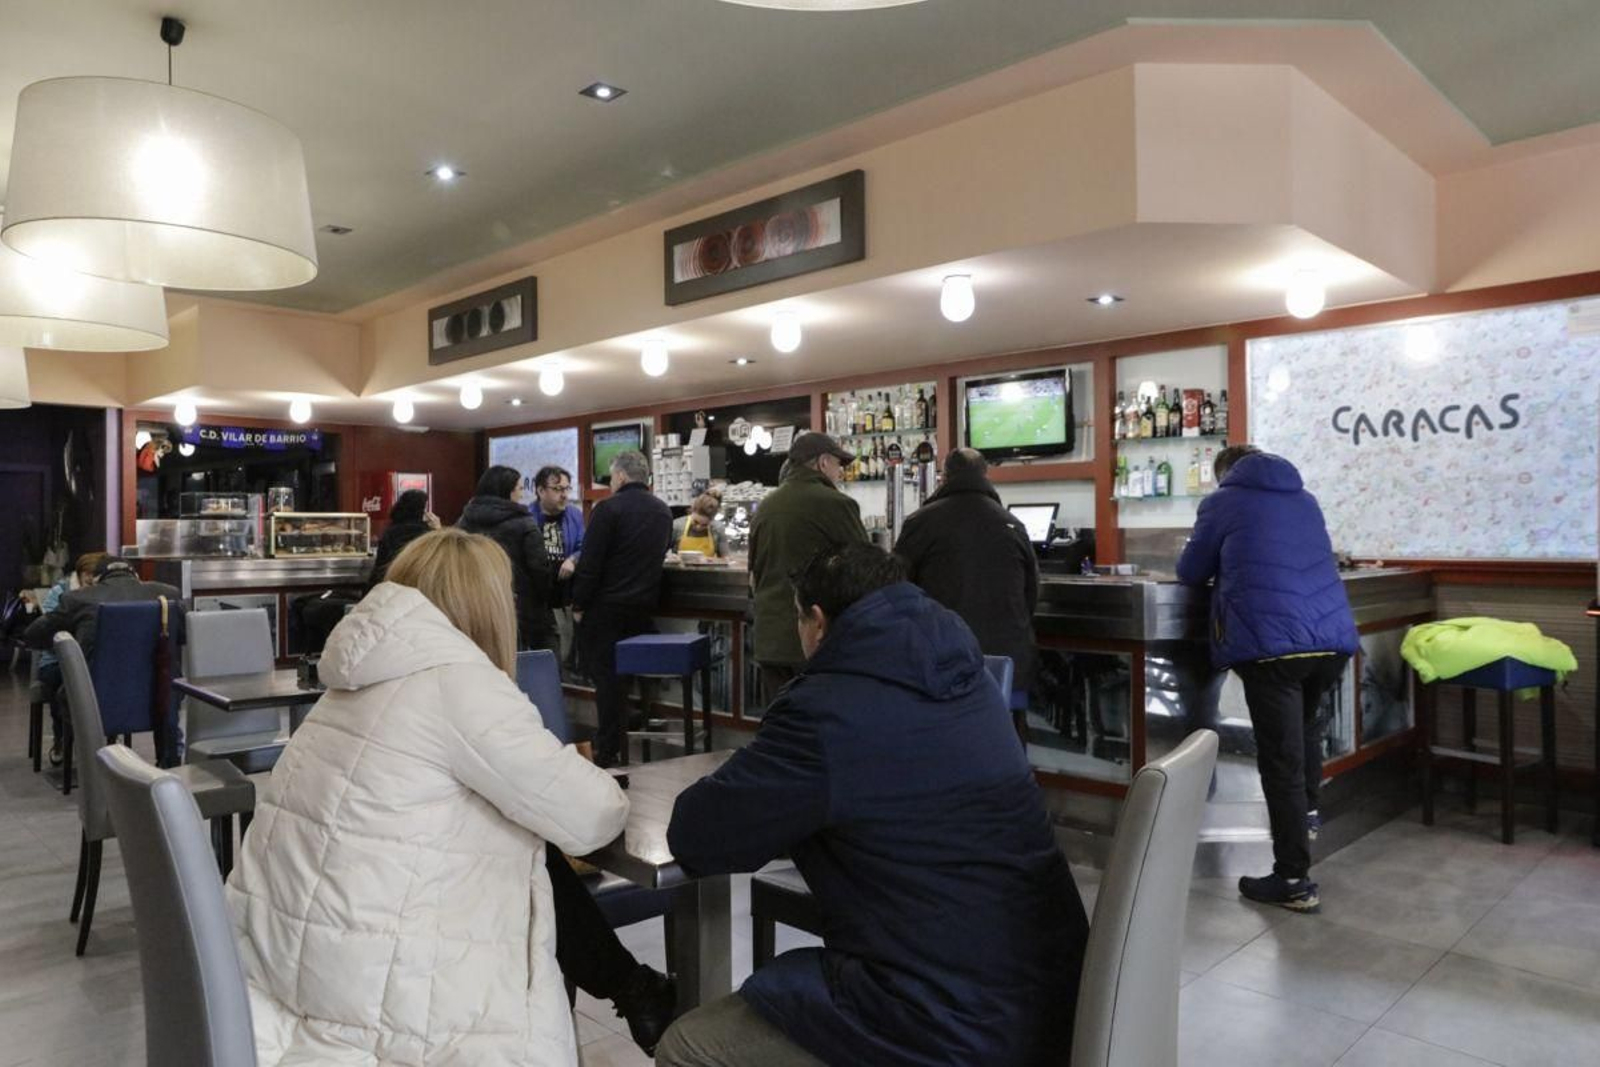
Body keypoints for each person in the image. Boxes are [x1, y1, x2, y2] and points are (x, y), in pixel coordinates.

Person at [226, 528, 673, 1065]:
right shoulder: (458, 685)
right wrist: (595, 779)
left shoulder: (350, 682)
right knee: (533, 846)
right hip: (377, 996)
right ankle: (638, 991)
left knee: (522, 845)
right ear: (487, 607)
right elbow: (592, 817)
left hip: (289, 968)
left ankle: (633, 988)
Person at [656, 543, 1088, 1067]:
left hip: (952, 1024)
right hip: (1058, 1000)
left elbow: (698, 837)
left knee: (686, 1047)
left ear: (817, 622)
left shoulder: (826, 710)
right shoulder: (968, 676)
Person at [1176, 444, 1358, 913]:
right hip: (1331, 641)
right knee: (1305, 734)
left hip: (1272, 644)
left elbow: (1191, 571)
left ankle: (1293, 879)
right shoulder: (1305, 499)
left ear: (1225, 474)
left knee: (1281, 760)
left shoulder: (1222, 501)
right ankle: (1307, 818)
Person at [895, 447, 1039, 699]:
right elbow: (1031, 594)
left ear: (944, 477)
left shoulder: (921, 522)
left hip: (942, 665)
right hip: (1009, 666)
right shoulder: (1012, 524)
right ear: (986, 475)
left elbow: (896, 590)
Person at [25, 556, 184, 762]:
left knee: (63, 688)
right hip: (157, 695)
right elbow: (183, 636)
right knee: (167, 685)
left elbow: (33, 635)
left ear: (97, 578)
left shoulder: (77, 599)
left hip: (94, 698)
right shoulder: (168, 594)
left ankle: (85, 761)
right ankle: (169, 763)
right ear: (135, 575)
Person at [571, 450, 673, 767]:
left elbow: (590, 564)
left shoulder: (608, 509)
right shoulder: (663, 511)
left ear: (620, 477)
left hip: (606, 610)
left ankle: (608, 747)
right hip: (642, 610)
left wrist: (579, 603)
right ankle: (632, 729)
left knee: (607, 681)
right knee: (627, 679)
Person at [748, 432, 866, 702]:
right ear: (823, 463)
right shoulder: (836, 503)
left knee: (781, 719)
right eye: (838, 464)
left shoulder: (766, 505)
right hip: (814, 640)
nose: (840, 472)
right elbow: (864, 567)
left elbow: (753, 575)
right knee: (821, 720)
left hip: (769, 640)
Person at [457, 464, 556, 653]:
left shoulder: (464, 521)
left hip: (475, 606)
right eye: (519, 489)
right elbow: (540, 569)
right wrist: (544, 600)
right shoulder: (524, 523)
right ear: (507, 492)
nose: (521, 495)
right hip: (521, 610)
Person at [23, 551, 107, 765]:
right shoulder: (60, 592)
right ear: (79, 574)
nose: (91, 580)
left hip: (92, 660)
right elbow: (47, 631)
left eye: (95, 575)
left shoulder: (103, 595)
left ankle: (99, 741)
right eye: (87, 575)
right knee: (65, 678)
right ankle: (62, 738)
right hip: (55, 660)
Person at [531, 464, 585, 664]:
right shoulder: (527, 517)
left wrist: (573, 559)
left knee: (566, 643)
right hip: (538, 594)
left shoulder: (574, 515)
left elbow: (584, 546)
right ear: (541, 491)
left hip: (565, 591)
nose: (564, 495)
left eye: (566, 489)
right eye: (557, 489)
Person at [366, 488, 438, 588]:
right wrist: (438, 529)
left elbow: (380, 567)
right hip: (420, 587)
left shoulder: (391, 532)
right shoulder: (427, 534)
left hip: (393, 584)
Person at [672, 492, 727, 558]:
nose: (698, 527)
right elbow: (663, 552)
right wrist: (671, 557)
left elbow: (725, 558)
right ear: (691, 512)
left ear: (712, 521)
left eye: (704, 525)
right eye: (695, 522)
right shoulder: (677, 526)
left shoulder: (717, 529)